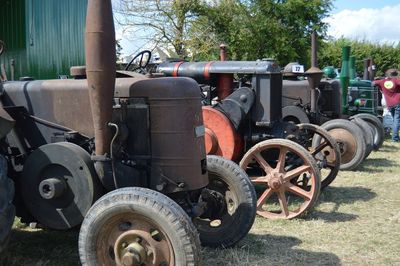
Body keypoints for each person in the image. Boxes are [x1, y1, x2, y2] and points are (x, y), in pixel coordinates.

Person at [374, 69, 400, 142]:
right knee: (397, 120)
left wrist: (379, 85)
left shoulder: (382, 82)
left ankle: (395, 136)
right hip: (398, 102)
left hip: (389, 104)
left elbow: (373, 83)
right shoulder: (396, 80)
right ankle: (395, 138)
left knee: (395, 120)